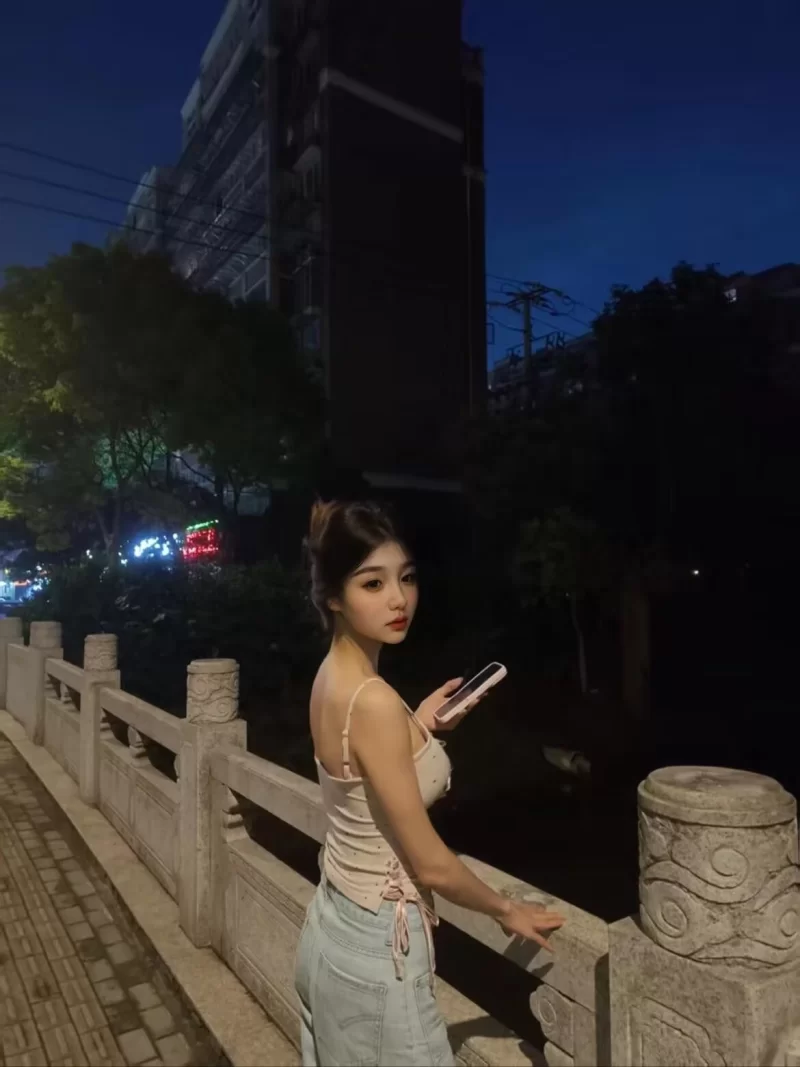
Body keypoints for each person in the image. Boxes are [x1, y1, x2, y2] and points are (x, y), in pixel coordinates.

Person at [295, 499, 565, 1066]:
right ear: (333, 597)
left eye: (407, 578)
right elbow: (432, 866)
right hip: (380, 946)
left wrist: (419, 725)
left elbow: (356, 771)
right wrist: (506, 910)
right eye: (373, 583)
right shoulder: (372, 701)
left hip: (331, 922)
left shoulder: (331, 676)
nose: (399, 599)